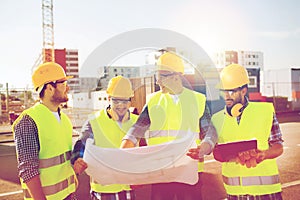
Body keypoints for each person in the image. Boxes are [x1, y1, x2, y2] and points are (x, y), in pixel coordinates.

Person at [121, 52, 218, 200]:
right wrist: (123, 149)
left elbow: (210, 133)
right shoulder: (154, 101)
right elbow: (136, 130)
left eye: (162, 76)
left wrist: (204, 148)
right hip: (161, 173)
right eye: (156, 76)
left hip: (189, 173)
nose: (158, 81)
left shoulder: (197, 100)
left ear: (177, 76)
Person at [189, 64, 284, 199]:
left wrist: (264, 154)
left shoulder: (265, 111)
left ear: (244, 91)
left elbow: (278, 146)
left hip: (267, 193)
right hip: (235, 194)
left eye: (231, 91)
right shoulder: (216, 119)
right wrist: (203, 149)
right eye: (224, 91)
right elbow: (212, 144)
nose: (226, 96)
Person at [13, 62, 77, 200]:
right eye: (63, 83)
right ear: (49, 88)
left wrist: (75, 169)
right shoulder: (28, 121)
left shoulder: (65, 119)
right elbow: (28, 170)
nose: (68, 87)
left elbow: (62, 160)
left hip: (68, 196)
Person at [72, 75, 139, 200]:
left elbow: (143, 152)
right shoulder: (95, 121)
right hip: (104, 191)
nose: (121, 105)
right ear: (108, 98)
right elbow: (82, 143)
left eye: (125, 101)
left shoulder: (137, 122)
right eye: (116, 100)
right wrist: (78, 158)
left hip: (128, 188)